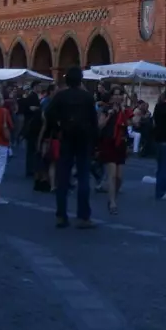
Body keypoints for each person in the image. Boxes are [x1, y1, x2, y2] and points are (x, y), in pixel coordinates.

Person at [44, 67, 99, 228]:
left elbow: (48, 114)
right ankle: (83, 217)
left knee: (63, 177)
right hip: (84, 139)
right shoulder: (88, 97)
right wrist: (95, 143)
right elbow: (94, 121)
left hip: (66, 137)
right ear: (80, 80)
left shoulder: (61, 96)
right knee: (83, 178)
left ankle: (61, 215)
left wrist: (58, 126)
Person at [98, 90, 129, 215]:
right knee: (112, 175)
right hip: (109, 142)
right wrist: (109, 115)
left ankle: (113, 196)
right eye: (115, 94)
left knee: (119, 177)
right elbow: (100, 125)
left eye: (120, 94)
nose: (118, 96)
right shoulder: (106, 109)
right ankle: (112, 202)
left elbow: (129, 125)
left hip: (121, 143)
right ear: (111, 97)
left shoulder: (124, 110)